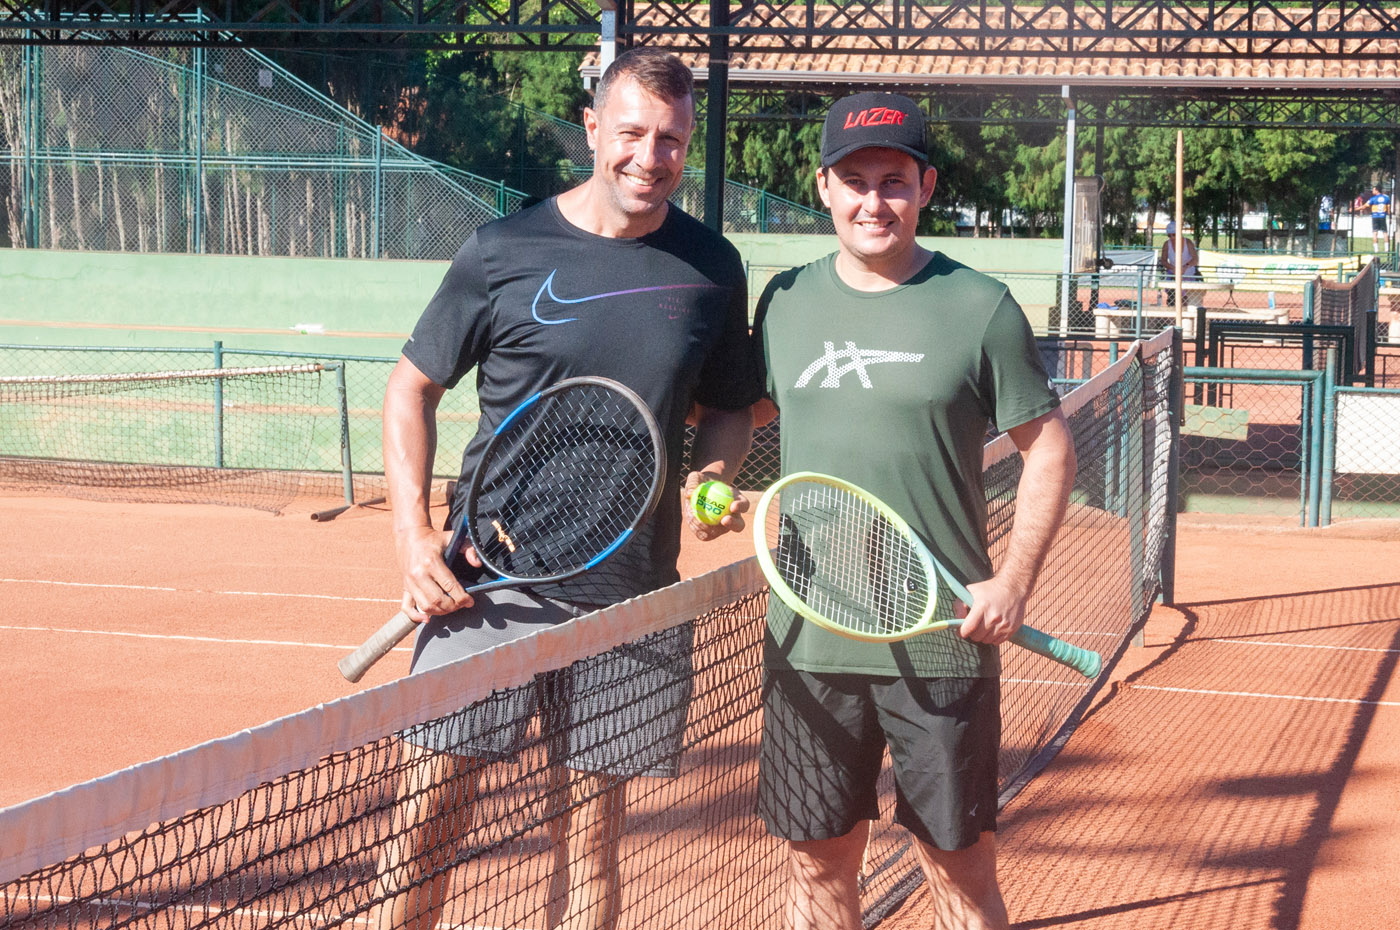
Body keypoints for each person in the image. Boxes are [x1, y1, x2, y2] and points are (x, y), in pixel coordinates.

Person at [371, 48, 761, 930]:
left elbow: (731, 408)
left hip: (631, 597)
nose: (650, 157)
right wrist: (412, 535)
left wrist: (714, 473)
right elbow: (410, 388)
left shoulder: (712, 267)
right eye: (631, 133)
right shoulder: (503, 250)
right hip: (486, 588)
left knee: (590, 841)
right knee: (425, 824)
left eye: (671, 140)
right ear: (592, 129)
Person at [748, 91, 1077, 930]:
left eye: (893, 181)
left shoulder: (981, 307)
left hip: (942, 640)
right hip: (809, 639)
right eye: (855, 181)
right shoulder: (783, 302)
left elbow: (1049, 449)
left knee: (958, 872)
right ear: (824, 186)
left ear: (925, 186)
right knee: (816, 867)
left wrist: (1014, 580)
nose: (874, 202)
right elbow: (742, 414)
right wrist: (709, 476)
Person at [1156, 220, 1200, 307]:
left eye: (1174, 235)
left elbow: (1195, 259)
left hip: (1188, 273)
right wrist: (1173, 268)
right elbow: (1163, 260)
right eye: (1169, 235)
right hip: (1173, 273)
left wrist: (1185, 267)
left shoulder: (1188, 242)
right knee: (1172, 295)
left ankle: (1185, 309)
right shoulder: (1167, 244)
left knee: (1186, 298)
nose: (1172, 237)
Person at [1366, 184, 1391, 252]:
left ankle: (1376, 249)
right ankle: (1386, 248)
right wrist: (1389, 215)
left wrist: (1355, 209)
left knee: (1375, 233)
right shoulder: (1386, 198)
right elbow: (1388, 208)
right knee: (1385, 232)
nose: (1372, 191)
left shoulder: (1373, 198)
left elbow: (1366, 205)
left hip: (1375, 217)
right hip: (1383, 217)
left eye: (1373, 190)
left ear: (1377, 190)